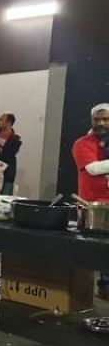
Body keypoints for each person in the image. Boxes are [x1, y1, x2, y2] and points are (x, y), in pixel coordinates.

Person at [72, 103, 109, 298]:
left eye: (106, 119)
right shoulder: (82, 143)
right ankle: (79, 294)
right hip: (91, 209)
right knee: (89, 251)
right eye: (97, 119)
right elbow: (93, 169)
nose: (101, 123)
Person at [0, 112, 22, 195]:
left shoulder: (15, 140)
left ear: (9, 122)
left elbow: (10, 154)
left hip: (7, 175)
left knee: (5, 200)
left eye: (1, 120)